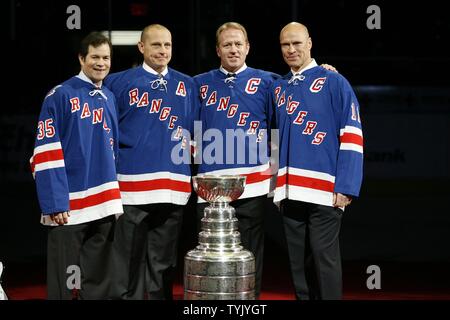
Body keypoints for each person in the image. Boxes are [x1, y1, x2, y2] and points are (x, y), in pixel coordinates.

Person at [271, 22, 364, 300]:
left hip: (325, 190)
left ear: (309, 43)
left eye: (297, 43)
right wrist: (275, 186)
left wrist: (346, 185)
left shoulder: (335, 82)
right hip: (290, 190)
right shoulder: (279, 87)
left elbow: (352, 134)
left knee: (325, 261)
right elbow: (273, 136)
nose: (291, 49)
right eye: (285, 44)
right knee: (299, 266)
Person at [104, 24, 195, 300]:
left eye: (167, 45)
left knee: (163, 263)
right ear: (142, 47)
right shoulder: (117, 82)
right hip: (131, 187)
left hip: (173, 188)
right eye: (156, 45)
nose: (163, 51)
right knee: (127, 261)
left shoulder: (187, 83)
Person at [30, 32, 122, 299]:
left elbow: (112, 149)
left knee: (100, 278)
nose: (101, 63)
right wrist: (55, 202)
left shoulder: (109, 97)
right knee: (63, 281)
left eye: (106, 58)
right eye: (95, 57)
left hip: (103, 200)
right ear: (81, 58)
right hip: (68, 205)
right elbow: (46, 152)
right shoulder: (59, 95)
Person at [193, 22, 280, 298]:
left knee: (251, 249)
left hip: (252, 183)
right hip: (210, 184)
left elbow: (278, 127)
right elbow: (189, 129)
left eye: (238, 44)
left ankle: (247, 299)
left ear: (248, 47)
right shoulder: (197, 83)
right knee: (211, 247)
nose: (233, 49)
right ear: (218, 50)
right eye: (227, 45)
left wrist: (273, 172)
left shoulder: (269, 81)